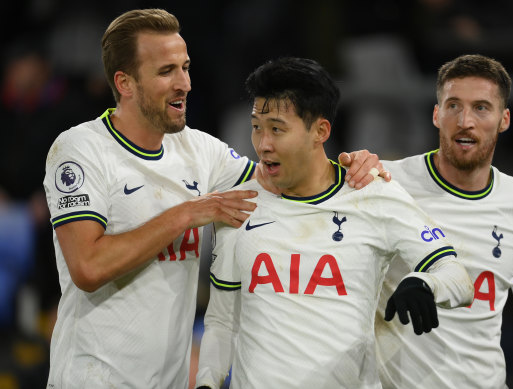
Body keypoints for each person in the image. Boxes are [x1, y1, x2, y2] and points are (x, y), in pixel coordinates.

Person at [42, 9, 383, 389]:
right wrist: (188, 213)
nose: (184, 83)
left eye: (185, 67)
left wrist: (359, 166)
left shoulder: (200, 151)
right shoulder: (80, 150)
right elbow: (88, 268)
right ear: (125, 82)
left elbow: (288, 179)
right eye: (166, 71)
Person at [194, 56, 473, 389]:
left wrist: (427, 285)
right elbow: (224, 321)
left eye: (277, 129)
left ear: (320, 131)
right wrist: (207, 382)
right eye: (257, 127)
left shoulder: (373, 192)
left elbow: (457, 276)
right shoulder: (239, 204)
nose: (264, 144)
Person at [356, 54, 513, 389]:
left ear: (504, 119)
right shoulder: (384, 181)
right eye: (453, 105)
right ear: (436, 114)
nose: (465, 120)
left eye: (481, 107)